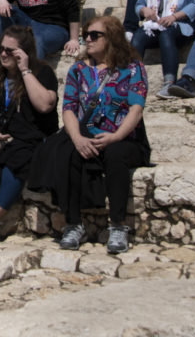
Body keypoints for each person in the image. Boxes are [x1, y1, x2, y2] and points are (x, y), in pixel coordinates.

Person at [28, 16, 150, 255]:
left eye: (95, 35)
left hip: (124, 138)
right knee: (69, 152)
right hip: (86, 135)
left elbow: (136, 109)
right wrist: (77, 138)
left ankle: (118, 226)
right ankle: (73, 224)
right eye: (86, 35)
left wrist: (115, 137)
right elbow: (69, 108)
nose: (88, 40)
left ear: (112, 37)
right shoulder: (79, 70)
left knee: (115, 154)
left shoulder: (133, 68)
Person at [0, 26, 58, 246]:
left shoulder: (42, 73)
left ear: (24, 52)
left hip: (30, 138)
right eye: (1, 48)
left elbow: (45, 105)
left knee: (17, 162)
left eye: (10, 50)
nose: (3, 54)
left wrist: (25, 70)